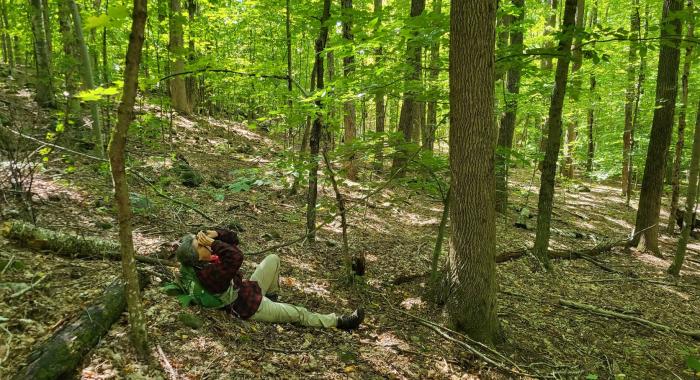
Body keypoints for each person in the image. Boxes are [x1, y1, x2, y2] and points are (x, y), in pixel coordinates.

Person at [174, 228, 364, 330]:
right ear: (196, 256)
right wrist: (215, 243)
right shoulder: (208, 274)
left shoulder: (208, 260)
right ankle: (340, 322)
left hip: (248, 291)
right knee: (300, 313)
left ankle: (272, 299)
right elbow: (236, 257)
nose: (205, 245)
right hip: (249, 307)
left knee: (273, 259)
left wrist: (216, 234)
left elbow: (234, 239)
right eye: (200, 245)